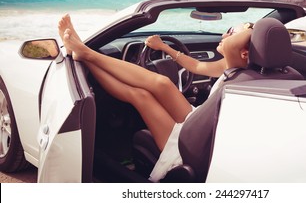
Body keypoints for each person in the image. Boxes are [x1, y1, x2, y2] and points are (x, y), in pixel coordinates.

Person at [58, 14, 253, 181]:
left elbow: (243, 44)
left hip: (193, 147)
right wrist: (164, 47)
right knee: (163, 83)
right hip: (201, 126)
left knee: (140, 95)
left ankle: (85, 53)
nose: (224, 35)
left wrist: (252, 29)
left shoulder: (245, 71)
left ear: (244, 52)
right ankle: (83, 53)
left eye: (232, 34)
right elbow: (197, 66)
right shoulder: (239, 66)